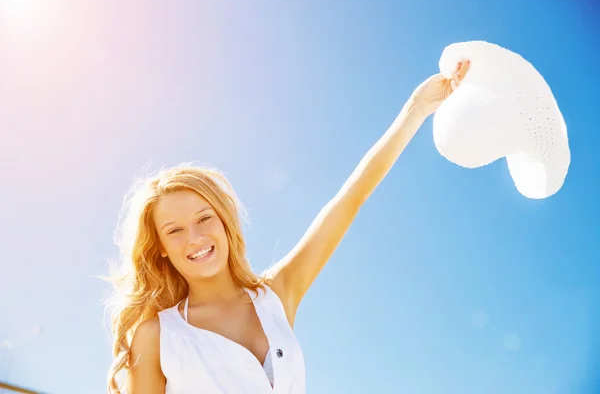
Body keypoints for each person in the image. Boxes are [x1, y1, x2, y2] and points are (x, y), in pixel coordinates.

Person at [106, 60, 471, 394]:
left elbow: (350, 199)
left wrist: (417, 109)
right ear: (160, 249)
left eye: (204, 218)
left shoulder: (276, 296)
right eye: (175, 230)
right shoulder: (157, 335)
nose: (196, 238)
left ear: (224, 221)